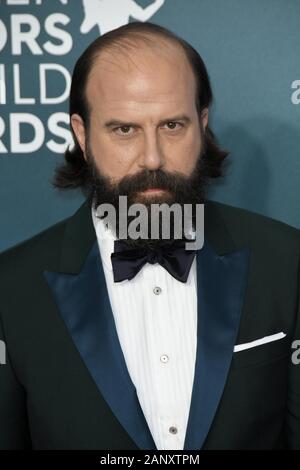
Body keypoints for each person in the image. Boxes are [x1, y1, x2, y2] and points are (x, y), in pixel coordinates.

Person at [0, 22, 299, 450]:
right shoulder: (10, 291)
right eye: (125, 130)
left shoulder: (287, 263)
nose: (153, 157)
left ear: (202, 124)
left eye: (172, 126)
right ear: (82, 136)